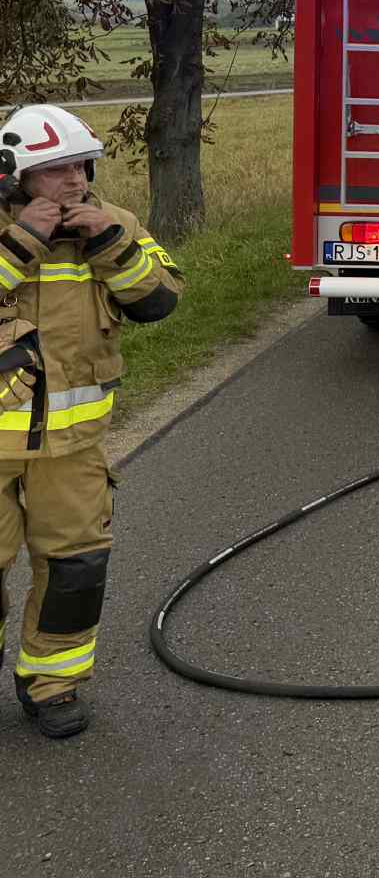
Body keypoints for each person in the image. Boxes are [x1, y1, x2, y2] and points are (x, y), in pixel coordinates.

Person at [2, 104, 183, 739]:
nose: (76, 180)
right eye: (57, 170)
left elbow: (160, 300)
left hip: (75, 446)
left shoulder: (115, 223)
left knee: (75, 572)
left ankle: (52, 685)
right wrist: (20, 244)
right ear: (16, 176)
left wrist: (111, 245)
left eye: (82, 166)